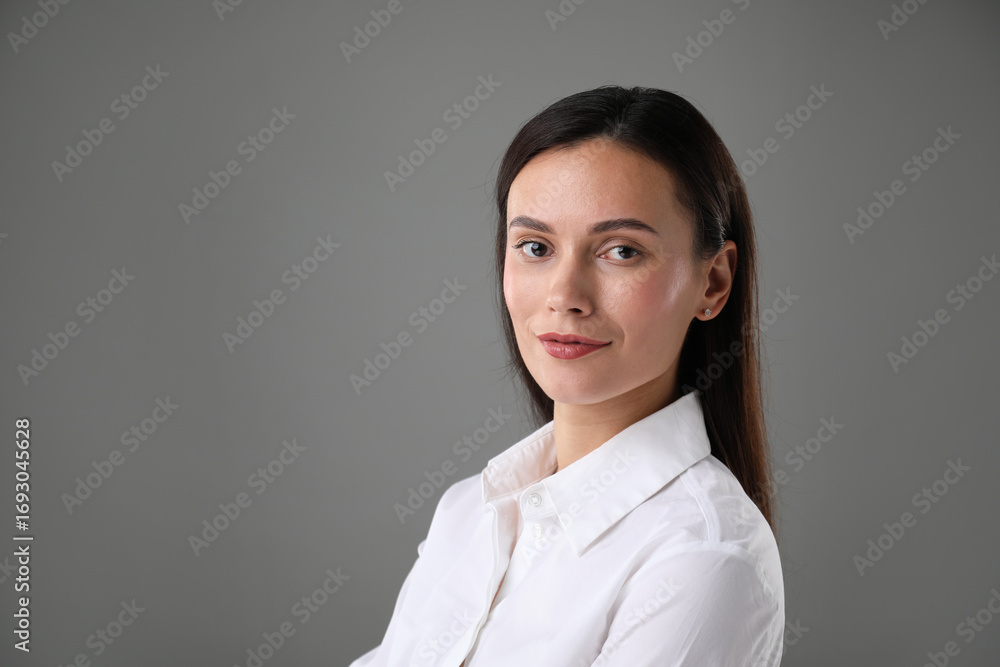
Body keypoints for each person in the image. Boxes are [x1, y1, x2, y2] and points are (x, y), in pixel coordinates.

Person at [349, 84, 784, 666]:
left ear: (713, 282)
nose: (565, 295)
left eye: (621, 251)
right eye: (535, 247)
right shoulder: (469, 512)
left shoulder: (702, 558)